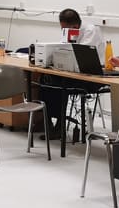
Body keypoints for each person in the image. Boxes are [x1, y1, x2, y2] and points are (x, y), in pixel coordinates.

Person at [40, 9, 106, 141]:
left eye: (64, 28)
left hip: (92, 77)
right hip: (73, 74)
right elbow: (64, 49)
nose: (63, 31)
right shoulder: (70, 30)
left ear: (75, 26)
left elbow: (81, 56)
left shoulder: (91, 31)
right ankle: (48, 124)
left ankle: (60, 126)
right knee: (45, 81)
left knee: (60, 84)